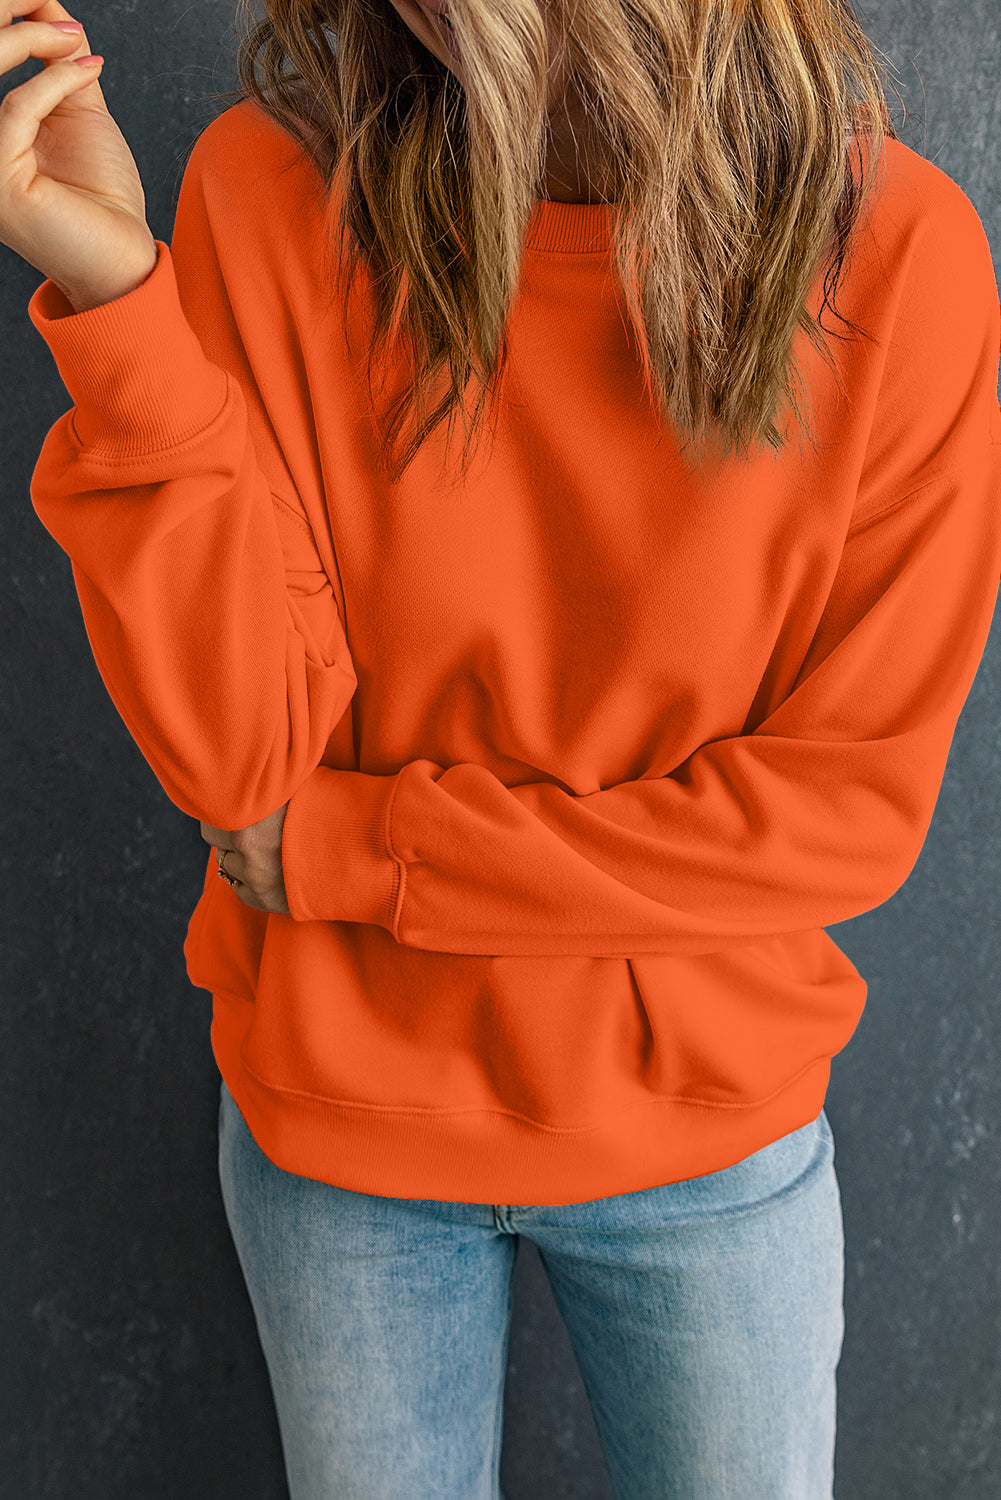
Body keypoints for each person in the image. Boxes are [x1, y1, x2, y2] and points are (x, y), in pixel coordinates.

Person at [6, 0, 1001, 1495]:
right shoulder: (264, 201)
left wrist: (363, 850)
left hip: (704, 1148)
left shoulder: (899, 257)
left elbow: (840, 820)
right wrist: (122, 300)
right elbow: (237, 762)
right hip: (343, 1145)